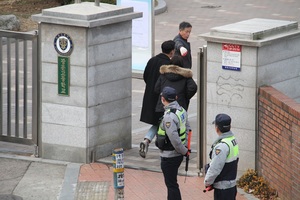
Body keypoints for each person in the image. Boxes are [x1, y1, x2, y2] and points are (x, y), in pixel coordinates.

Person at [139, 55, 197, 158]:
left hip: (163, 106)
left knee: (159, 125)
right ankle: (176, 150)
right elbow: (193, 88)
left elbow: (157, 89)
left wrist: (163, 95)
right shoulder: (185, 76)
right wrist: (184, 96)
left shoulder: (163, 74)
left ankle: (147, 140)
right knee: (178, 129)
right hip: (178, 107)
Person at [139, 40, 175, 158]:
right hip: (162, 99)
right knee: (162, 121)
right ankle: (156, 142)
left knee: (157, 121)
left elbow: (145, 75)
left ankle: (147, 140)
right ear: (172, 51)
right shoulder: (168, 65)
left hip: (150, 96)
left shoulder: (152, 60)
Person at [156, 86, 190, 200]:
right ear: (176, 97)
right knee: (172, 184)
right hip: (177, 154)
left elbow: (174, 138)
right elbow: (187, 128)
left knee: (171, 185)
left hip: (170, 155)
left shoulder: (169, 116)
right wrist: (185, 148)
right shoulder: (181, 110)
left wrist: (184, 151)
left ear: (163, 99)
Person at [204, 113, 239, 200]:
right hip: (231, 185)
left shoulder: (221, 146)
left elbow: (215, 168)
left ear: (217, 128)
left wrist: (207, 182)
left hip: (222, 188)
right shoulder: (232, 140)